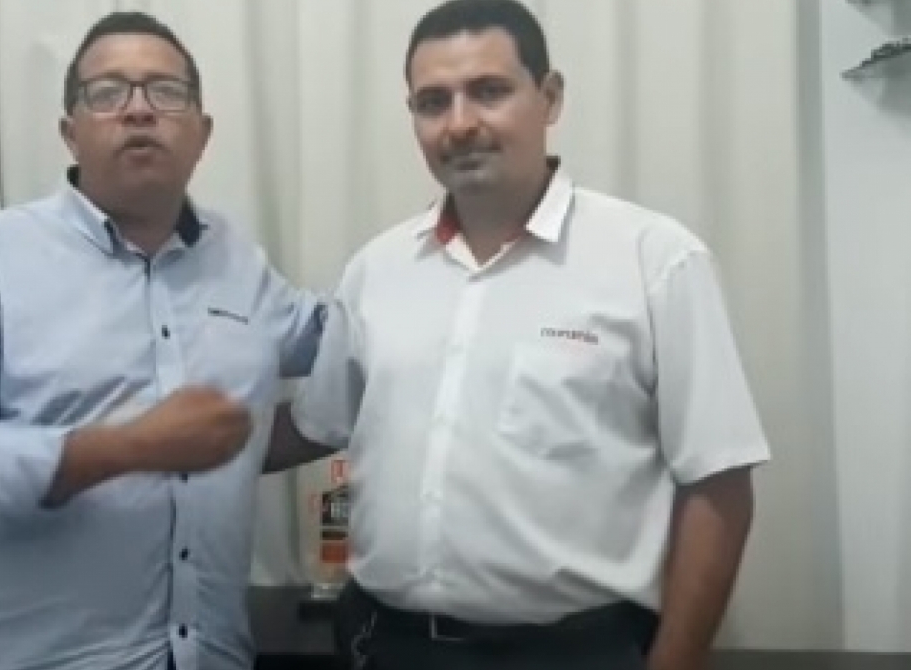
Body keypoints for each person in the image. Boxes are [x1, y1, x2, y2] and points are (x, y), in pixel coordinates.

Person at [265, 1, 770, 668]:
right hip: (384, 643)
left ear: (549, 97)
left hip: (573, 651)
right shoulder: (376, 270)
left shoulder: (654, 260)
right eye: (433, 102)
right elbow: (317, 423)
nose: (460, 124)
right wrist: (155, 442)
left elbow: (720, 487)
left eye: (489, 91)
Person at [0, 11, 322, 670]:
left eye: (165, 92)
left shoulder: (240, 265)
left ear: (202, 134)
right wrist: (124, 448)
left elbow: (351, 346)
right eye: (108, 92)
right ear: (71, 133)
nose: (139, 110)